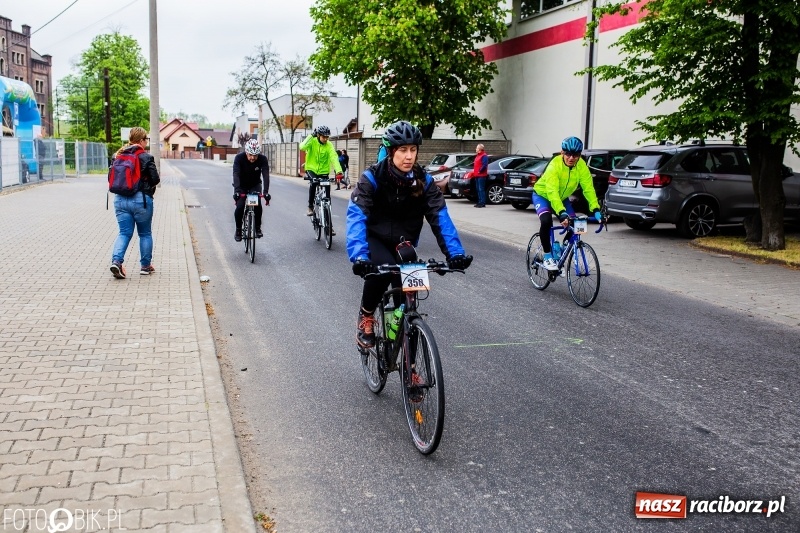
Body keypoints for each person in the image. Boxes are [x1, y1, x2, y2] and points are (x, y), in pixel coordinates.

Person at [346, 120, 473, 349]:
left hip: (404, 245)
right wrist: (360, 256)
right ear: (391, 151)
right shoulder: (372, 178)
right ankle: (366, 315)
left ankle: (412, 370)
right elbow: (356, 216)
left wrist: (455, 253)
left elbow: (439, 215)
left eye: (413, 150)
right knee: (380, 271)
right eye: (403, 150)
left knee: (409, 305)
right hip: (376, 240)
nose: (409, 156)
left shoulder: (423, 181)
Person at [532, 136, 602, 271]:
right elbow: (552, 191)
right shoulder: (554, 165)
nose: (571, 158)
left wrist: (596, 210)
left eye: (575, 155)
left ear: (579, 155)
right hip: (543, 195)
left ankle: (562, 250)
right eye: (568, 154)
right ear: (562, 152)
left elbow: (588, 189)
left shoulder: (581, 166)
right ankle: (547, 257)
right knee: (546, 221)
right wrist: (561, 213)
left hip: (562, 197)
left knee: (577, 224)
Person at [109, 127, 160, 279]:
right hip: (141, 200)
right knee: (145, 233)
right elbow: (155, 179)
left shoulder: (117, 155)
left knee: (124, 232)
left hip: (120, 199)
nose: (147, 142)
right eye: (146, 140)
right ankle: (145, 266)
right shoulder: (145, 157)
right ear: (142, 140)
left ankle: (117, 262)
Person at [300, 125, 343, 233]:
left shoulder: (329, 145)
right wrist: (311, 136)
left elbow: (334, 157)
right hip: (311, 169)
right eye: (323, 137)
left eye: (327, 137)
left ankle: (329, 226)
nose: (325, 139)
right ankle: (310, 207)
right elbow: (302, 147)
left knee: (327, 199)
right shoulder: (312, 141)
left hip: (323, 172)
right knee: (313, 184)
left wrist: (339, 171)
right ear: (318, 135)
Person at [232, 139, 271, 242]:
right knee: (240, 206)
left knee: (257, 203)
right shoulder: (239, 158)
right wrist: (237, 191)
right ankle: (238, 230)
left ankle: (257, 227)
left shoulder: (262, 159)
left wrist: (266, 192)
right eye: (250, 155)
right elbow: (236, 174)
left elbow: (265, 175)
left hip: (255, 185)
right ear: (246, 152)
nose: (253, 158)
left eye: (255, 155)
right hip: (241, 185)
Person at [473, 143, 489, 208]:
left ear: (480, 149)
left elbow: (484, 165)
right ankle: (479, 201)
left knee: (481, 189)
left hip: (481, 175)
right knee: (478, 189)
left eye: (477, 148)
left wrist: (480, 171)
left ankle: (482, 202)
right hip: (477, 175)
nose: (475, 149)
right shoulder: (477, 155)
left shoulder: (484, 156)